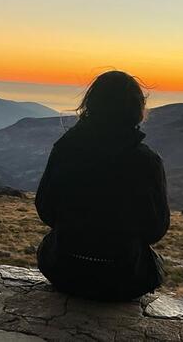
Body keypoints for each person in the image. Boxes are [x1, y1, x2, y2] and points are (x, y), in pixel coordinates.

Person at [35, 70, 170, 302]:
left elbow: (45, 209)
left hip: (63, 270)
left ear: (90, 103)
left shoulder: (65, 149)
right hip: (122, 277)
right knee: (155, 262)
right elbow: (156, 228)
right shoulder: (146, 161)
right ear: (137, 109)